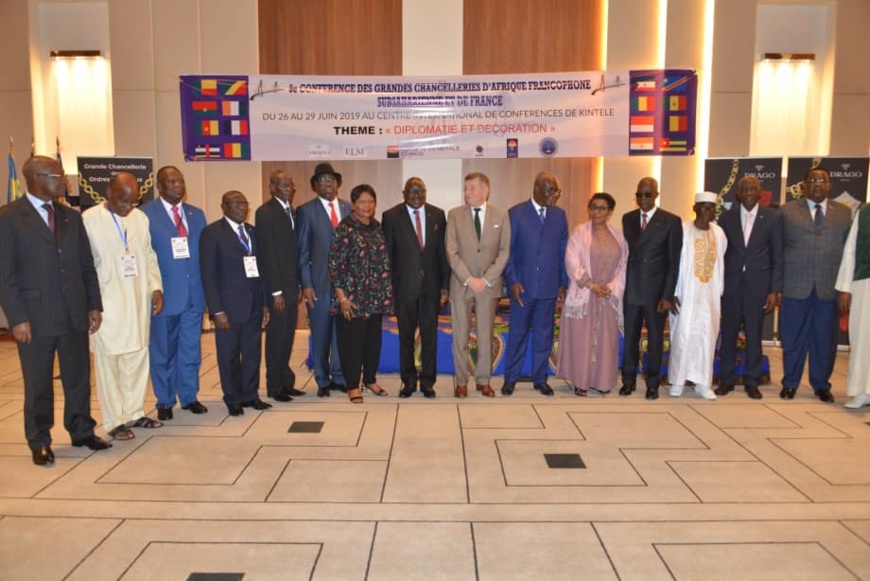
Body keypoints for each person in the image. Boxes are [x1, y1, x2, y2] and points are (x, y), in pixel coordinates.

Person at [0, 155, 111, 465]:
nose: (65, 182)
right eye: (57, 176)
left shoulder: (71, 217)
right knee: (38, 381)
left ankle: (81, 430)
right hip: (34, 317)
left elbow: (86, 265)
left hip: (74, 312)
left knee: (77, 376)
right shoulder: (8, 218)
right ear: (35, 178)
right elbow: (5, 276)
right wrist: (17, 318)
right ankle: (39, 439)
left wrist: (93, 304)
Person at [83, 173, 164, 440]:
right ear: (109, 192)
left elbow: (149, 254)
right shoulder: (89, 220)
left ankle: (135, 411)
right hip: (107, 303)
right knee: (110, 364)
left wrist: (156, 287)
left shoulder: (140, 218)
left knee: (138, 358)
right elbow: (84, 267)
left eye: (133, 202)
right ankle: (114, 421)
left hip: (137, 300)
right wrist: (90, 304)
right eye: (123, 202)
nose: (128, 208)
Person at [141, 166, 209, 421]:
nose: (177, 185)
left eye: (180, 181)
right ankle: (165, 399)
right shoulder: (145, 214)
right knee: (164, 351)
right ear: (159, 186)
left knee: (190, 350)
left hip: (194, 294)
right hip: (164, 297)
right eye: (171, 182)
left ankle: (189, 396)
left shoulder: (196, 214)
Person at [779, 167, 851, 402]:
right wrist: (777, 286)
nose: (817, 184)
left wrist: (845, 288)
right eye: (812, 180)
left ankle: (821, 385)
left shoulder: (844, 213)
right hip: (794, 287)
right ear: (804, 185)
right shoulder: (787, 211)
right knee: (792, 339)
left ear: (829, 184)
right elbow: (778, 252)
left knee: (824, 341)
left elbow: (848, 254)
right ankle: (790, 383)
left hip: (829, 289)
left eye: (822, 180)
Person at [200, 191, 271, 416]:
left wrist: (264, 304)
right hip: (227, 309)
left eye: (244, 203)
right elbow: (208, 275)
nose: (242, 207)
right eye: (236, 203)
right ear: (224, 207)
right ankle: (232, 398)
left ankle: (250, 395)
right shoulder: (212, 233)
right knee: (228, 355)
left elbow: (260, 271)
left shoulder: (252, 232)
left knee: (252, 353)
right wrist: (217, 310)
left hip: (253, 305)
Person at [715, 176, 783, 399]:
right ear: (738, 194)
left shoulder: (772, 217)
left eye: (753, 189)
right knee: (729, 334)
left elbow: (777, 256)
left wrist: (774, 290)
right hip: (731, 286)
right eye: (744, 190)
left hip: (758, 287)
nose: (749, 193)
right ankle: (727, 380)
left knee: (754, 335)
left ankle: (752, 381)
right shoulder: (726, 218)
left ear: (760, 192)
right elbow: (720, 254)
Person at [382, 177, 449, 398]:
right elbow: (388, 257)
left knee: (430, 337)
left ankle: (428, 382)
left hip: (431, 288)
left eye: (421, 191)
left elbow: (442, 253)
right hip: (404, 288)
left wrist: (444, 286)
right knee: (406, 338)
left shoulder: (438, 214)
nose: (417, 195)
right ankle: (408, 381)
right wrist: (389, 290)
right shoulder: (391, 216)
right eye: (412, 192)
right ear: (404, 194)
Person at [502, 172, 568, 396]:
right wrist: (512, 281)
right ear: (537, 189)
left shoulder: (560, 216)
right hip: (523, 288)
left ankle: (540, 379)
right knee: (518, 334)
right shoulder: (516, 213)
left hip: (549, 287)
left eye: (557, 191)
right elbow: (506, 252)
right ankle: (510, 378)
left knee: (544, 335)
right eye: (551, 190)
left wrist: (562, 283)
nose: (555, 196)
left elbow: (562, 250)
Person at [446, 172, 511, 398]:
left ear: (485, 190)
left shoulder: (501, 215)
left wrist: (485, 280)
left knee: (485, 335)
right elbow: (451, 252)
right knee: (460, 337)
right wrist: (469, 279)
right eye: (466, 188)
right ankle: (461, 381)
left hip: (488, 286)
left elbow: (504, 251)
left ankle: (484, 380)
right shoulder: (454, 215)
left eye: (472, 188)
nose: (467, 193)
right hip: (461, 284)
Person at [558, 192, 628, 396]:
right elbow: (571, 261)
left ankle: (603, 381)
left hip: (607, 297)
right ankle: (581, 381)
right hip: (585, 295)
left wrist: (612, 287)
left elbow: (624, 265)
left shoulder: (619, 235)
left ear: (610, 211)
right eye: (593, 207)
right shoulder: (580, 232)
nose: (597, 211)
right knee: (582, 339)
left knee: (606, 340)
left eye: (602, 208)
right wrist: (591, 285)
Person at [328, 184, 392, 404]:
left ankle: (371, 380)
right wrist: (342, 298)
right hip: (352, 299)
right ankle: (352, 385)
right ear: (354, 204)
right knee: (352, 344)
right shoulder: (345, 228)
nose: (367, 206)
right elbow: (334, 265)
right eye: (362, 201)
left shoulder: (377, 227)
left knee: (373, 342)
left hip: (374, 296)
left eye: (371, 201)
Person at [620, 177, 682, 400]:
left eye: (647, 194)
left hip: (656, 294)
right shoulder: (627, 218)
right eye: (639, 195)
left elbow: (674, 263)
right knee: (630, 338)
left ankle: (653, 383)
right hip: (633, 289)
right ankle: (628, 380)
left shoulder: (671, 221)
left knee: (655, 339)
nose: (643, 199)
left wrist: (667, 294)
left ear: (656, 194)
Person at [297, 163, 352, 397]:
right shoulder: (306, 211)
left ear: (338, 183)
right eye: (322, 180)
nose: (328, 183)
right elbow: (302, 252)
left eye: (331, 179)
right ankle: (322, 378)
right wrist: (306, 284)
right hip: (318, 285)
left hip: (346, 286)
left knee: (341, 333)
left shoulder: (348, 208)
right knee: (320, 333)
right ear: (315, 186)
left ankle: (339, 376)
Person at [667, 192, 727, 400]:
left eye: (711, 208)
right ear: (695, 208)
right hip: (685, 294)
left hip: (709, 297)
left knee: (706, 338)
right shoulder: (682, 230)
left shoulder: (719, 233)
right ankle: (678, 381)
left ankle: (703, 383)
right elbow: (673, 264)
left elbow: (720, 265)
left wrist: (718, 293)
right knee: (683, 336)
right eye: (703, 207)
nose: (707, 211)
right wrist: (672, 293)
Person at [255, 169, 305, 402]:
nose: (288, 188)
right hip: (278, 291)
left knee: (287, 337)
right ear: (272, 187)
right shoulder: (265, 212)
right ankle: (274, 386)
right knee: (276, 338)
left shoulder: (291, 212)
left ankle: (286, 382)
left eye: (290, 184)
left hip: (291, 286)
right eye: (283, 184)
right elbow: (267, 255)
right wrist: (275, 292)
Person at [836, 204, 870, 409]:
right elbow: (850, 249)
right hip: (865, 282)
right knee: (862, 338)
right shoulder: (865, 212)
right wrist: (845, 288)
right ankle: (862, 391)